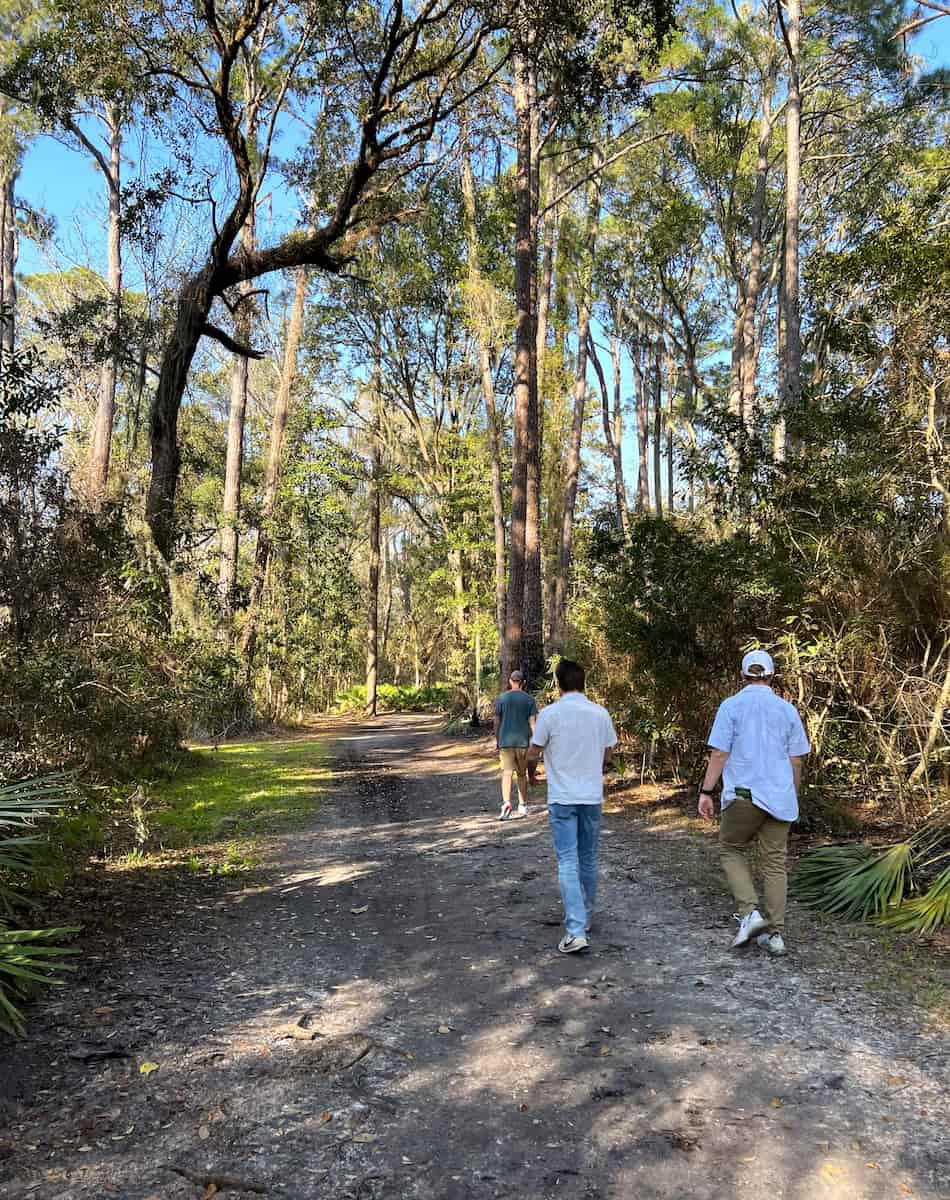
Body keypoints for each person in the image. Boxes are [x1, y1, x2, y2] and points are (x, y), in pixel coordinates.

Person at [698, 650, 810, 957]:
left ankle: (749, 913)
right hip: (779, 796)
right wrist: (792, 794)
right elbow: (796, 760)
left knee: (731, 849)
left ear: (743, 675)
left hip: (744, 795)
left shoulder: (731, 706)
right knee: (775, 863)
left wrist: (706, 791)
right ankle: (776, 935)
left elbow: (720, 754)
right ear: (771, 675)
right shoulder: (787, 710)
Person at [528, 659, 617, 954]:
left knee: (567, 860)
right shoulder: (600, 713)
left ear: (559, 683)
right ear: (583, 682)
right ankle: (586, 917)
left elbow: (534, 751)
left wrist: (533, 767)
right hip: (591, 796)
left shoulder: (550, 714)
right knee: (589, 859)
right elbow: (608, 754)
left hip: (562, 798)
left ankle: (576, 930)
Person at [494, 670, 538, 820]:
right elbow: (533, 723)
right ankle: (522, 805)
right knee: (521, 774)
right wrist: (536, 742)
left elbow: (497, 722)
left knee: (507, 773)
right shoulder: (529, 700)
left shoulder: (502, 698)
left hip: (505, 742)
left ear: (510, 681)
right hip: (523, 743)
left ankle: (506, 803)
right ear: (523, 683)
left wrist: (497, 739)